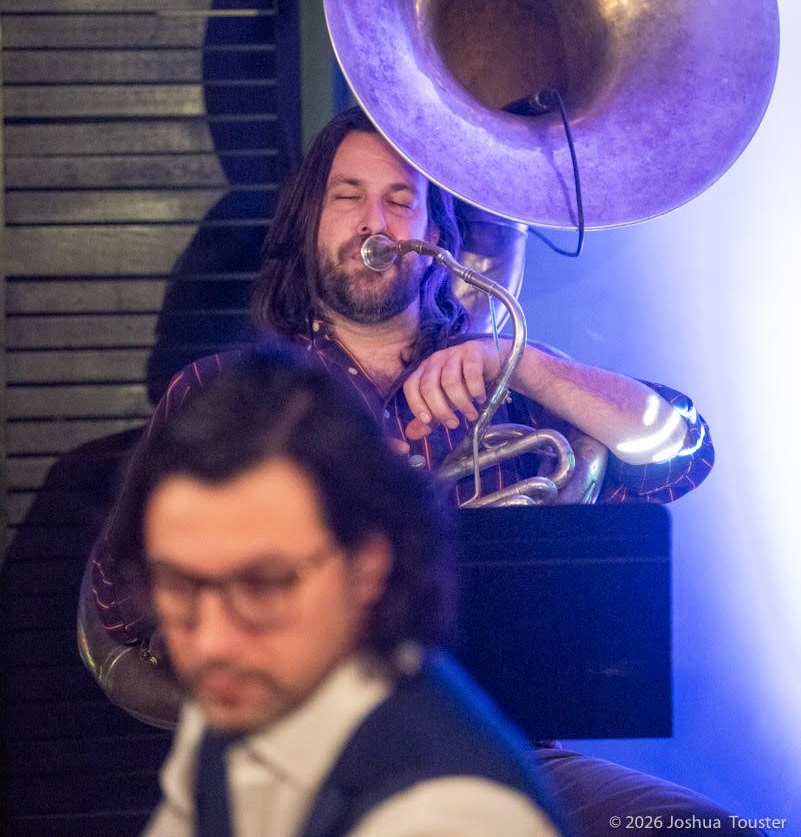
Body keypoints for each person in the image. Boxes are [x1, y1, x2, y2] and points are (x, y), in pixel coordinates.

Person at [81, 105, 731, 832]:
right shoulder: (226, 393)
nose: (375, 222)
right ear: (309, 224)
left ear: (436, 236)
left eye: (401, 199)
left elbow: (681, 454)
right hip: (302, 762)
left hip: (510, 751)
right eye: (347, 195)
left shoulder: (507, 380)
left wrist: (517, 362)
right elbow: (119, 606)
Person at [129, 343, 567, 837]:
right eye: (177, 584)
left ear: (367, 567)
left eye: (263, 585)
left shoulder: (447, 816)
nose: (210, 642)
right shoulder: (239, 691)